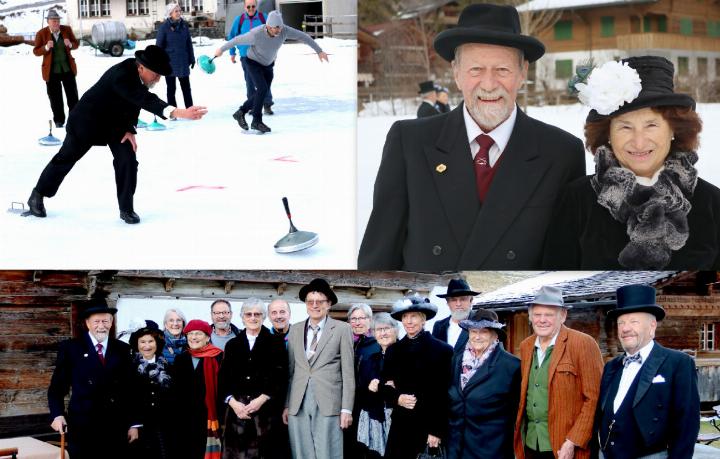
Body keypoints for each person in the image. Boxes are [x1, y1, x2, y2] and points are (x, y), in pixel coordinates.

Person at [358, 3, 585, 271]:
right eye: (476, 70)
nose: (489, 84)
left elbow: (565, 265)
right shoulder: (409, 143)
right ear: (456, 73)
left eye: (502, 70)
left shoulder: (562, 153)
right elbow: (378, 259)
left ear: (523, 73)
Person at [544, 56, 720, 269]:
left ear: (673, 129)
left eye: (651, 125)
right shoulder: (577, 200)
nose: (638, 142)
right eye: (625, 127)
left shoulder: (712, 203)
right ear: (607, 133)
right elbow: (554, 288)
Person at [25, 45, 208, 224]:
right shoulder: (121, 75)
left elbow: (133, 102)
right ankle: (38, 195)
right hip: (87, 121)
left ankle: (126, 208)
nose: (158, 79)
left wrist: (129, 129)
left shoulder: (138, 74)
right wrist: (179, 112)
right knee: (65, 158)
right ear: (141, 67)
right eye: (156, 74)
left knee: (127, 159)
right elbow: (142, 98)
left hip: (115, 125)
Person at [594, 284, 700, 459]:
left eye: (634, 321)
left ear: (652, 326)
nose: (625, 328)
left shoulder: (679, 363)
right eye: (621, 323)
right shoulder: (611, 366)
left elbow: (686, 426)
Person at [513, 286, 603, 459]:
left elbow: (594, 398)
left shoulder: (583, 343)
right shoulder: (526, 346)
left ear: (563, 316)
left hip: (565, 447)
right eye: (537, 315)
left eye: (549, 315)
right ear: (530, 317)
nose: (542, 320)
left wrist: (573, 441)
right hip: (531, 443)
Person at [47, 299, 137, 459]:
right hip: (83, 425)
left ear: (111, 322)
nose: (101, 325)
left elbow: (131, 390)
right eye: (96, 321)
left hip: (116, 426)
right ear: (87, 323)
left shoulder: (123, 349)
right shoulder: (71, 348)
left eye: (105, 320)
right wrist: (57, 414)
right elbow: (57, 388)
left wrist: (133, 424)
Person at [214, 10, 329, 134]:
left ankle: (240, 112)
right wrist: (221, 49)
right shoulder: (255, 34)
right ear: (268, 26)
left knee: (261, 93)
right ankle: (256, 121)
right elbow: (236, 40)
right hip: (253, 63)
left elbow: (303, 36)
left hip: (268, 65)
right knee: (262, 89)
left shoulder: (284, 30)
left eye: (280, 27)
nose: (279, 31)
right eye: (276, 28)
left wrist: (319, 51)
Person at [283, 278, 355, 459]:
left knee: (328, 453)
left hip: (329, 403)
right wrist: (286, 405)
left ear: (329, 304)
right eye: (310, 301)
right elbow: (291, 372)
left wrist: (346, 409)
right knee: (301, 453)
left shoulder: (342, 329)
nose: (315, 305)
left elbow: (348, 373)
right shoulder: (295, 330)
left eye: (320, 301)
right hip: (297, 403)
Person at [383, 295, 453, 459]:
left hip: (427, 427)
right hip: (400, 425)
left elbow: (444, 393)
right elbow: (384, 387)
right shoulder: (394, 351)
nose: (409, 321)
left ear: (423, 320)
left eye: (413, 316)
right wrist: (397, 397)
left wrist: (436, 430)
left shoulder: (442, 351)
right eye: (405, 317)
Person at [218, 298, 289, 458]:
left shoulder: (276, 343)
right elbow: (223, 379)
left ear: (264, 317)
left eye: (257, 314)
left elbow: (280, 376)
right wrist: (234, 403)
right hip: (237, 414)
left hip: (266, 414)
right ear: (242, 317)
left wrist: (261, 399)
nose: (253, 318)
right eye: (248, 314)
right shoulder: (232, 345)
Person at [447, 308, 519, 459]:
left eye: (483, 331)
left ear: (495, 335)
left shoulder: (511, 366)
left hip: (491, 449)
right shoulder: (457, 360)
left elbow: (516, 414)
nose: (477, 337)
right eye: (473, 331)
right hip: (457, 448)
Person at [172, 319, 224, 459]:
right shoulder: (181, 359)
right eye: (190, 334)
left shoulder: (219, 357)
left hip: (209, 417)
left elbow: (223, 388)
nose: (194, 337)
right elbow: (175, 391)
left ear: (207, 337)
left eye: (198, 334)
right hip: (184, 419)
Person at [128, 321, 175, 459]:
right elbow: (127, 398)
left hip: (164, 426)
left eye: (150, 341)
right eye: (142, 342)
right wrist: (133, 425)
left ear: (157, 343)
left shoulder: (169, 367)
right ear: (136, 344)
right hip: (140, 427)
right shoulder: (129, 368)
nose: (147, 346)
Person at [356, 313, 399, 458]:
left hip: (399, 421)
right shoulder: (371, 359)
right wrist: (370, 388)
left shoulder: (405, 354)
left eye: (387, 328)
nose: (383, 333)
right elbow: (362, 391)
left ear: (396, 330)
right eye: (378, 330)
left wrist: (385, 387)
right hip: (375, 419)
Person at [346, 303, 382, 459]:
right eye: (353, 318)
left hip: (370, 405)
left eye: (361, 318)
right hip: (349, 404)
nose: (357, 322)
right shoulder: (347, 342)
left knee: (368, 447)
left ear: (370, 320)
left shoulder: (378, 343)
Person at [227, 0, 274, 115]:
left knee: (265, 82)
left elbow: (273, 34)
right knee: (250, 83)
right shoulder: (239, 20)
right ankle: (252, 105)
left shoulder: (264, 18)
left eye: (253, 6)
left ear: (256, 6)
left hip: (263, 56)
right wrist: (232, 52)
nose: (251, 9)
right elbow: (232, 36)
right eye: (248, 7)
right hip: (246, 57)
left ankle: (267, 104)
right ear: (244, 7)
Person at [33, 9, 78, 129]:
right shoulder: (41, 33)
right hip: (51, 72)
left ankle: (75, 119)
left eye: (58, 21)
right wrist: (46, 47)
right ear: (48, 22)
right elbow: (36, 51)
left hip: (67, 69)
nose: (56, 23)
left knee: (72, 96)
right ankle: (59, 120)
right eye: (54, 21)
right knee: (55, 98)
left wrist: (70, 44)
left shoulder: (66, 30)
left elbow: (76, 44)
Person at [156, 3, 195, 109]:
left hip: (183, 61)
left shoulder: (184, 25)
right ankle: (173, 111)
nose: (179, 13)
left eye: (179, 11)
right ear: (170, 14)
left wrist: (192, 58)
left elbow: (188, 43)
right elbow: (159, 47)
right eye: (176, 11)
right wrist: (160, 62)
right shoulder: (164, 27)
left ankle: (190, 109)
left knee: (186, 88)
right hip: (169, 63)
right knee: (171, 89)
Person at [433, 278, 479, 351]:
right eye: (453, 300)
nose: (458, 304)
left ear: (471, 301)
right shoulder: (439, 326)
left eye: (463, 299)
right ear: (448, 303)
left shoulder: (480, 324)